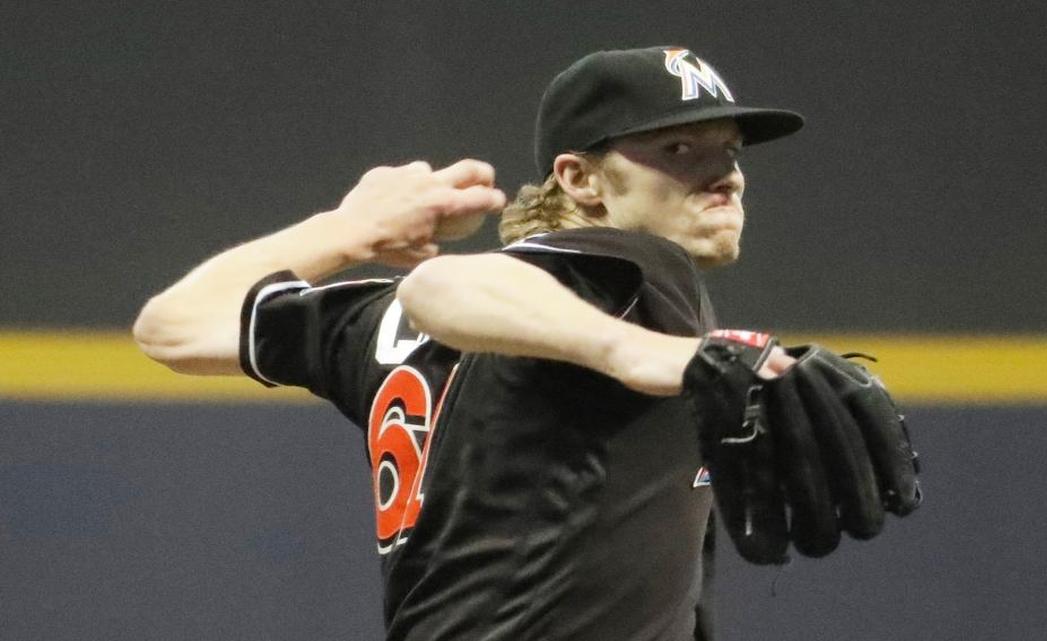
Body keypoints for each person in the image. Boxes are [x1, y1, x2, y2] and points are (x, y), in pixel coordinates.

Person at [134, 46, 804, 641]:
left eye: (730, 150)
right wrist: (645, 351)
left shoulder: (381, 325)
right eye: (678, 151)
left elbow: (171, 326)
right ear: (580, 179)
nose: (726, 175)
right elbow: (444, 284)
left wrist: (344, 231)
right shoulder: (624, 267)